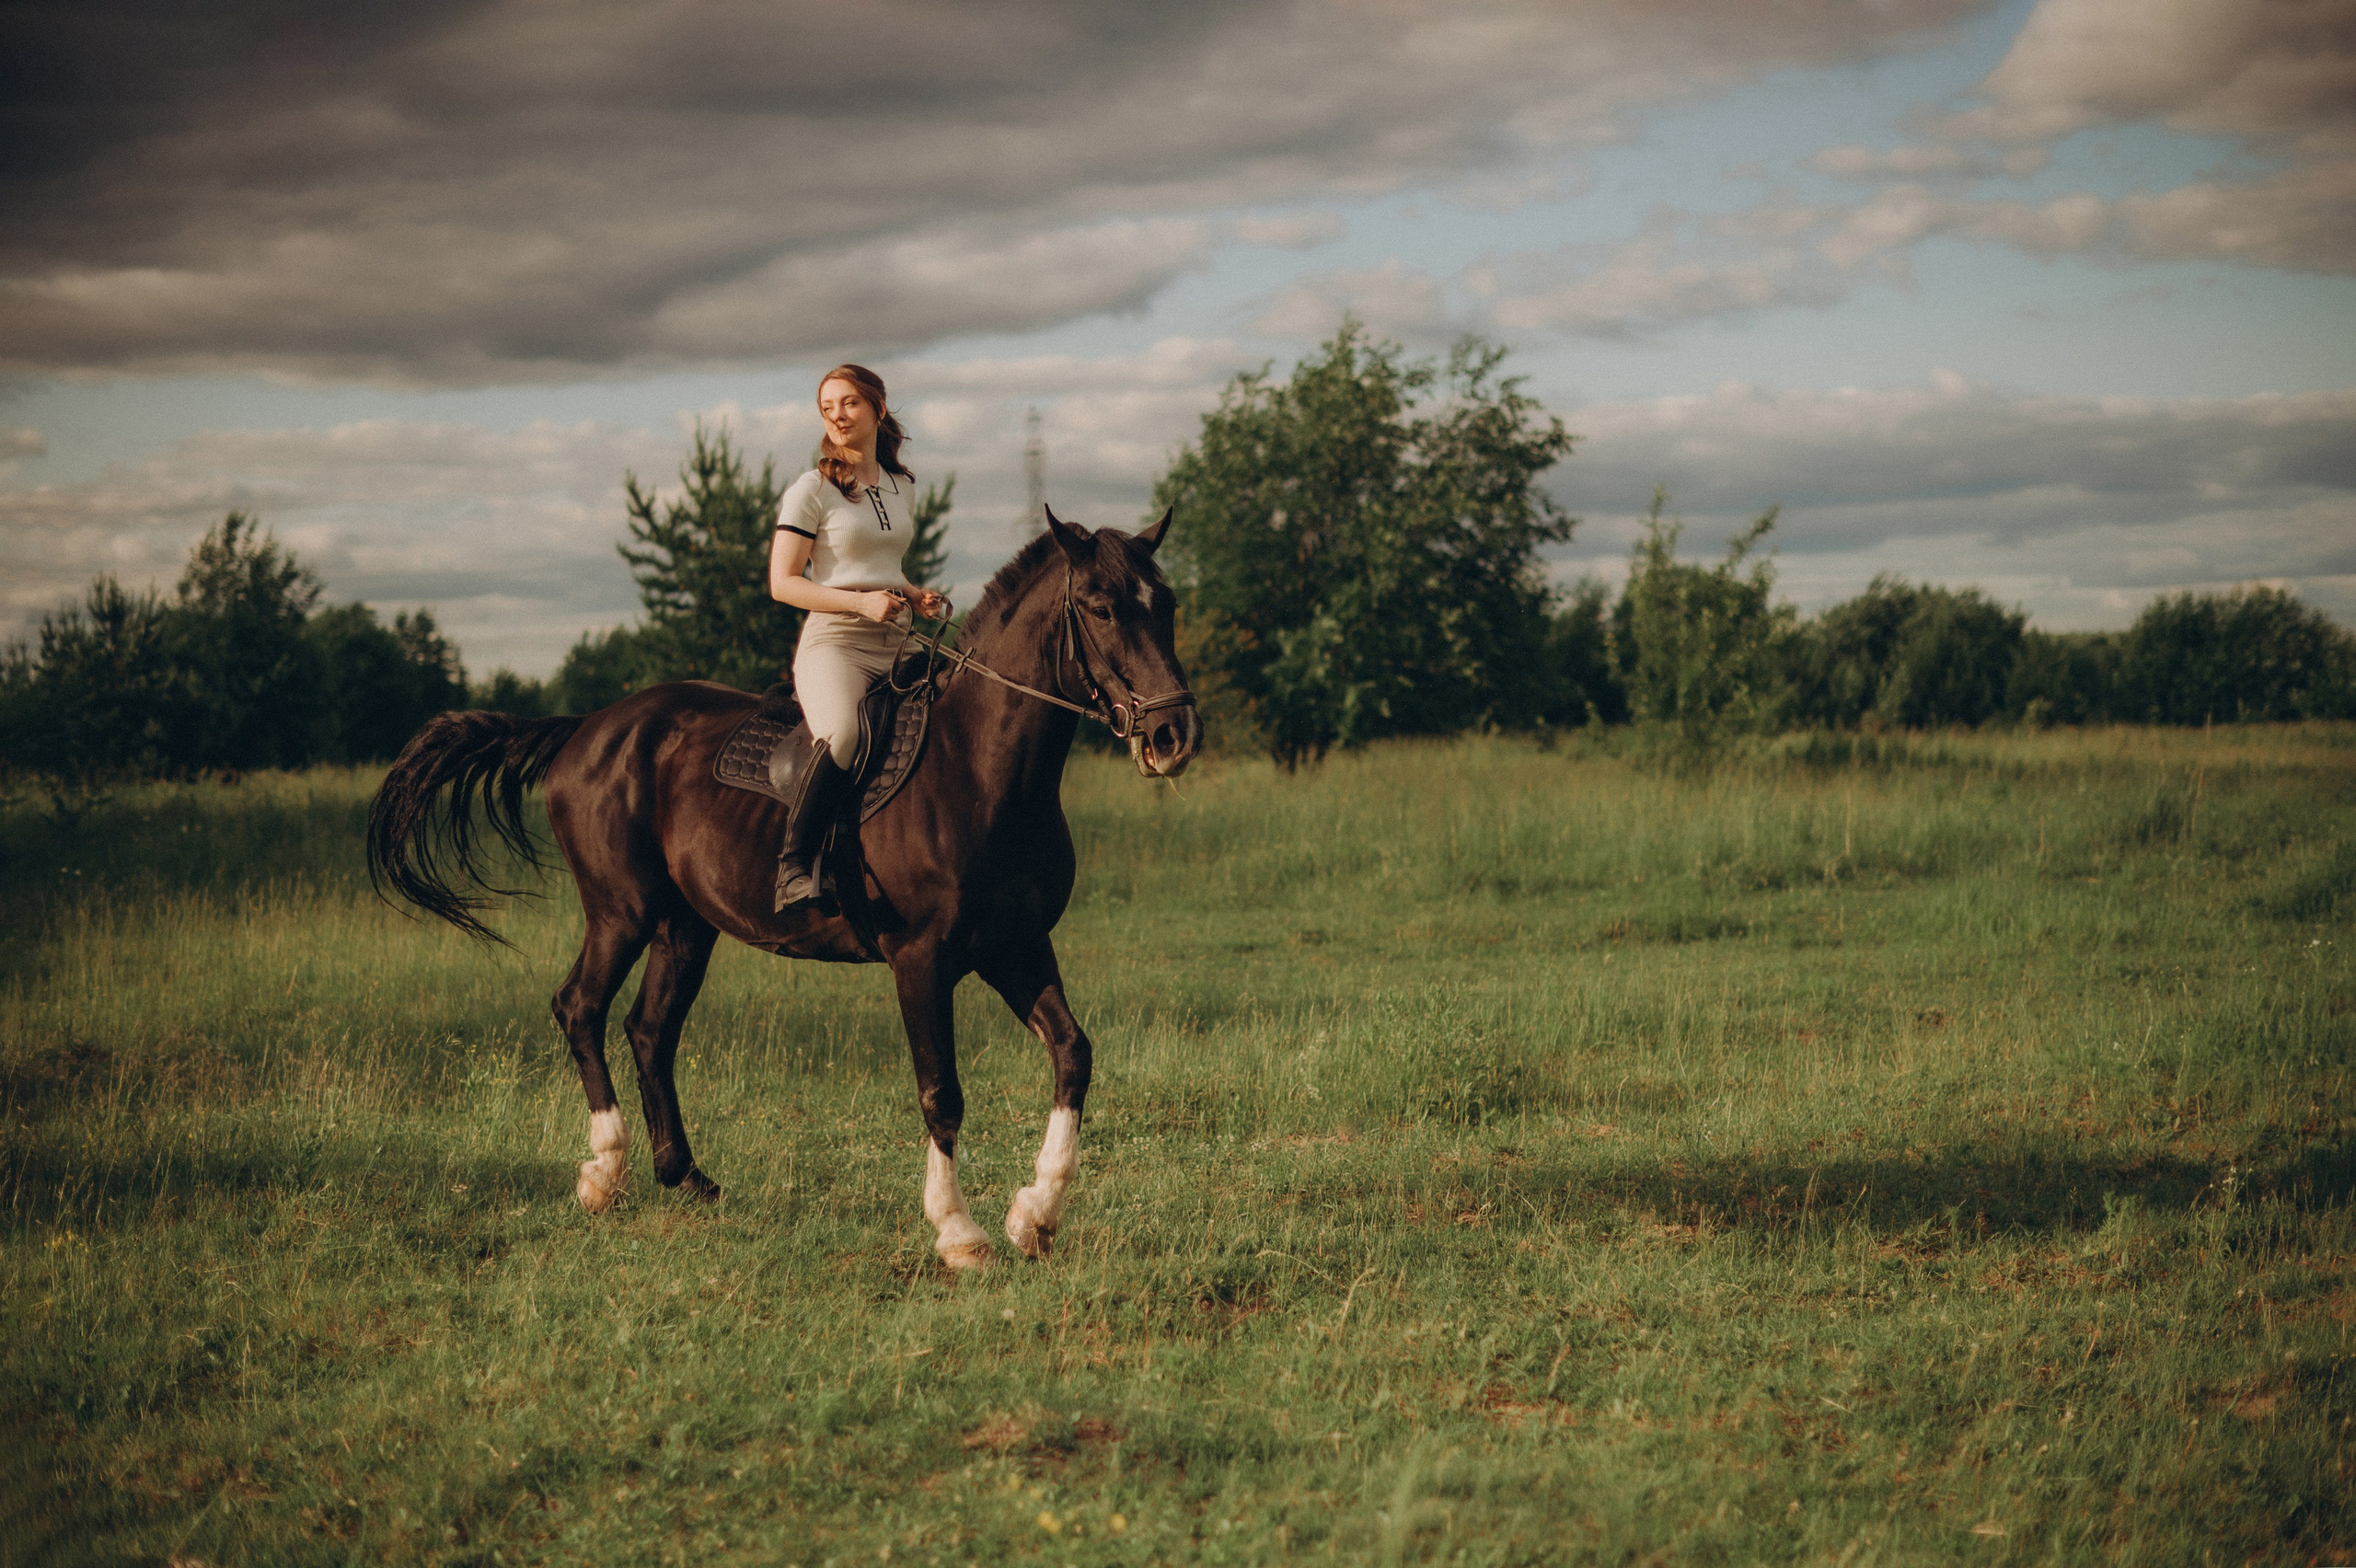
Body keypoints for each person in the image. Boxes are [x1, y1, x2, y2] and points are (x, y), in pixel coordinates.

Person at [768, 363, 950, 911]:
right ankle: (794, 867)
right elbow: (784, 584)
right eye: (828, 407)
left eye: (848, 403)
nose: (838, 416)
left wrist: (914, 594)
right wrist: (860, 602)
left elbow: (881, 563)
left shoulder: (902, 486)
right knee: (844, 734)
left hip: (897, 639)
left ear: (878, 407)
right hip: (836, 644)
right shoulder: (812, 489)